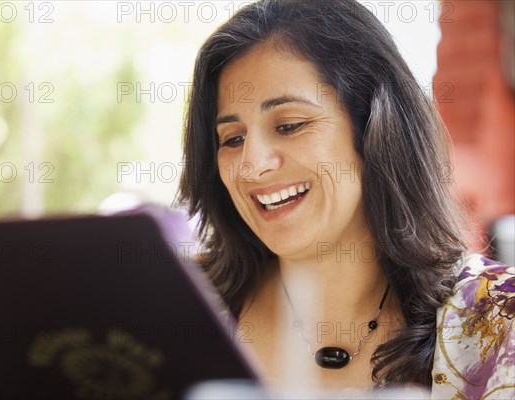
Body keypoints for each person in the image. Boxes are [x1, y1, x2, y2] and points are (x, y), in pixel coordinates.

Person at [177, 0, 514, 397]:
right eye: (232, 139)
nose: (251, 165)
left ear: (374, 128)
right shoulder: (179, 309)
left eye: (289, 125)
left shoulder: (498, 321)